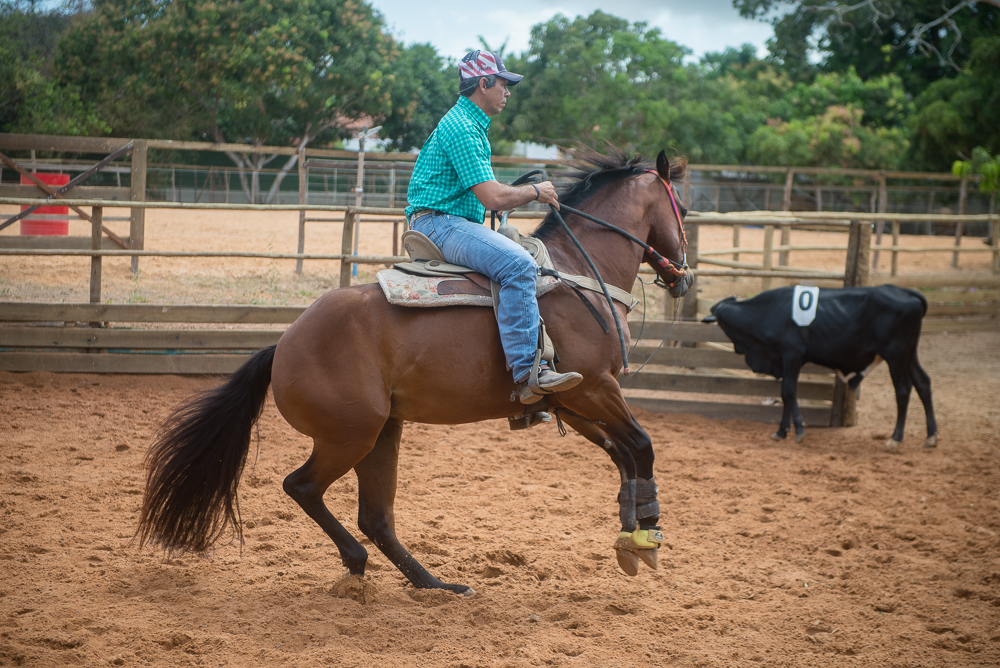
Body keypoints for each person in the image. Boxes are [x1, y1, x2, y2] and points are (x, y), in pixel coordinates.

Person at [405, 49, 582, 404]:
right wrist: (536, 191)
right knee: (518, 265)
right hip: (439, 224)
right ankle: (528, 373)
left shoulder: (468, 125)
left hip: (447, 220)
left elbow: (483, 196)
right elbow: (491, 197)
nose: (508, 92)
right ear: (483, 84)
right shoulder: (463, 128)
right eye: (504, 84)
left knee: (518, 249)